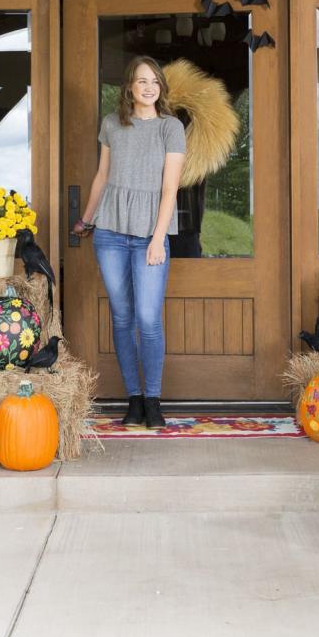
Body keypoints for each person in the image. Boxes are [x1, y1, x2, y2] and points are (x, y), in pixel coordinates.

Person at [72, 56, 186, 429]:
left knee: (148, 319)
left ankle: (153, 399)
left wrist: (158, 240)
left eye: (154, 81)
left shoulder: (171, 128)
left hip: (149, 235)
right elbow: (102, 177)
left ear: (160, 88)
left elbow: (170, 189)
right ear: (129, 88)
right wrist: (87, 220)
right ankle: (133, 398)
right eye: (141, 81)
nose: (148, 87)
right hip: (110, 233)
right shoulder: (112, 124)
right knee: (122, 318)